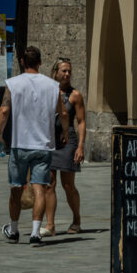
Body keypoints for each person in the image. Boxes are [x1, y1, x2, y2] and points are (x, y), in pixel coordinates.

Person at [0, 46, 68, 247]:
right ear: (41, 62)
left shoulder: (13, 84)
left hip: (20, 145)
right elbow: (63, 113)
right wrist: (65, 132)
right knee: (40, 189)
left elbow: (4, 110)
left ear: (22, 62)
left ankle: (14, 229)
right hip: (43, 145)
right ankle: (35, 232)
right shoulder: (52, 85)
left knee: (16, 188)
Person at [42, 57, 86, 236]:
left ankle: (76, 219)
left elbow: (81, 121)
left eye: (69, 71)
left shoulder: (75, 95)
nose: (67, 74)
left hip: (68, 143)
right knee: (49, 185)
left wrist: (80, 146)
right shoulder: (48, 92)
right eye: (64, 71)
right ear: (55, 72)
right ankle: (50, 225)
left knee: (68, 185)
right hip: (49, 142)